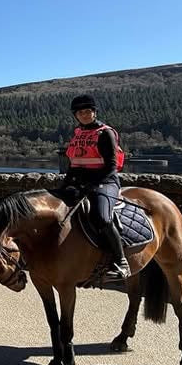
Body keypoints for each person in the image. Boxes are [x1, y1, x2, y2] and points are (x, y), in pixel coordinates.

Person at [62, 94, 129, 281]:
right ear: (75, 115)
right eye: (80, 112)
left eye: (87, 111)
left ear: (94, 112)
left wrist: (92, 185)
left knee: (101, 216)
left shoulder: (105, 133)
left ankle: (121, 261)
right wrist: (65, 185)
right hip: (80, 182)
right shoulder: (77, 133)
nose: (84, 115)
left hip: (105, 182)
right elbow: (73, 163)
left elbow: (111, 166)